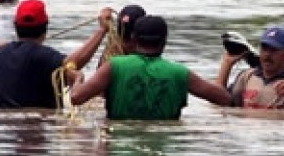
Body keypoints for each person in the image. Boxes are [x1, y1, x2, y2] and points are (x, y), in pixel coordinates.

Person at [71, 15, 232, 120]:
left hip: (120, 147)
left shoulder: (114, 66)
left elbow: (76, 98)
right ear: (165, 41)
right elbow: (224, 98)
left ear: (134, 38)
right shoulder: (180, 73)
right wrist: (227, 64)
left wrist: (78, 78)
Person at [0, 0, 114, 110]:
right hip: (35, 125)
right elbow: (73, 63)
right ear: (45, 27)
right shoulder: (44, 57)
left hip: (0, 123)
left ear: (16, 26)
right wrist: (102, 30)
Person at [217, 26, 284, 110]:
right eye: (264, 48)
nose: (267, 55)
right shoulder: (246, 77)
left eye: (274, 50)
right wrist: (227, 65)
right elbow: (220, 102)